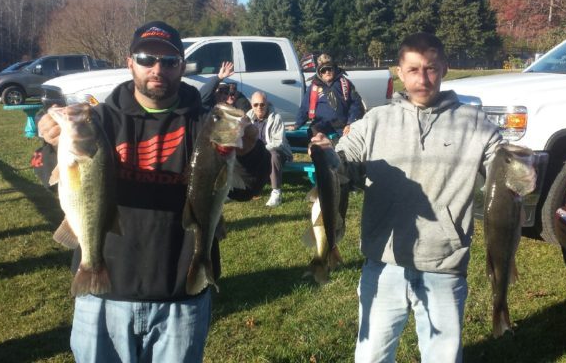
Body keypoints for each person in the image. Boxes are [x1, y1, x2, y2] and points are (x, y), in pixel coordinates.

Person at [37, 20, 270, 363]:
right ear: (130, 61)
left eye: (170, 60)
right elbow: (56, 180)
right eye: (147, 58)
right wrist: (51, 143)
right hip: (103, 292)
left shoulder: (208, 124)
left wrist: (249, 150)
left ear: (182, 66)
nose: (157, 68)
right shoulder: (98, 121)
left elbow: (248, 186)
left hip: (180, 295)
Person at [310, 33, 501, 363]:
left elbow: (506, 169)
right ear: (399, 72)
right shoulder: (375, 121)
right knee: (371, 357)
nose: (422, 78)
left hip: (445, 265)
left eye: (430, 68)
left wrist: (520, 166)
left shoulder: (476, 124)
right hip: (383, 266)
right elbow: (345, 168)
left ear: (444, 68)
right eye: (413, 70)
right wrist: (330, 157)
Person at [292, 53, 364, 138]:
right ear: (320, 73)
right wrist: (297, 124)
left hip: (342, 126)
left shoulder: (344, 83)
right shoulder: (313, 87)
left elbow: (356, 104)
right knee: (316, 139)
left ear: (334, 69)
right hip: (320, 125)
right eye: (324, 70)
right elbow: (304, 108)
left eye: (329, 69)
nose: (327, 72)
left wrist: (350, 123)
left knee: (346, 145)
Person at [246, 91, 293, 207]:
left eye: (262, 104)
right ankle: (241, 189)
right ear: (251, 105)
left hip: (277, 151)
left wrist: (259, 149)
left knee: (273, 154)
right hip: (256, 153)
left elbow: (278, 142)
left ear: (267, 104)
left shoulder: (276, 118)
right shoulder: (247, 118)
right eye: (255, 105)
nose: (259, 107)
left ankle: (276, 192)